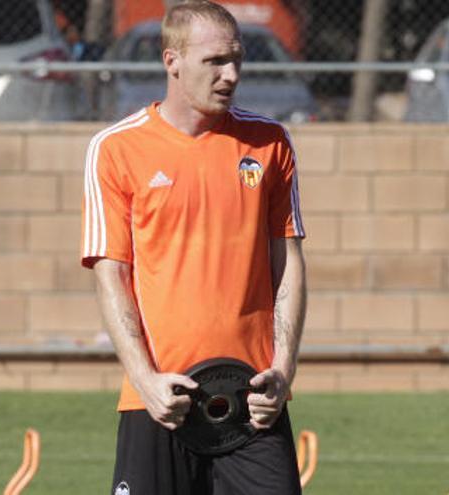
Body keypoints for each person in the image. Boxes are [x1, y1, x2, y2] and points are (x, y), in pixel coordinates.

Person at [80, 1, 307, 494]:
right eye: (215, 62)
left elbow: (286, 265)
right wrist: (145, 381)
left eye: (237, 61)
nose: (230, 75)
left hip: (253, 402)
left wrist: (283, 371)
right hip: (161, 401)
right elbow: (111, 275)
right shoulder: (116, 149)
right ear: (172, 61)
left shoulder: (269, 143)